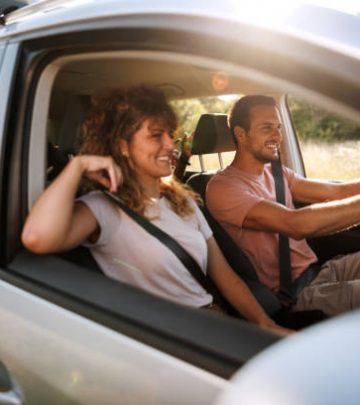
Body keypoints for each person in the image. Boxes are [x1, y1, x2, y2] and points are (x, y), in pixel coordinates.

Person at [21, 85, 290, 335]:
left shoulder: (183, 201)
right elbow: (37, 238)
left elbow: (227, 278)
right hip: (175, 340)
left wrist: (267, 326)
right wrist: (76, 166)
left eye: (169, 135)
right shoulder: (103, 208)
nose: (170, 145)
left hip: (215, 325)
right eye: (156, 136)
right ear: (122, 146)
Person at [206, 95, 360, 317]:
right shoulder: (223, 188)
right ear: (241, 134)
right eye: (267, 128)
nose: (277, 135)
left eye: (278, 127)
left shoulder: (278, 173)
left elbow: (335, 192)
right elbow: (295, 224)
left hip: (321, 272)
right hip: (294, 295)